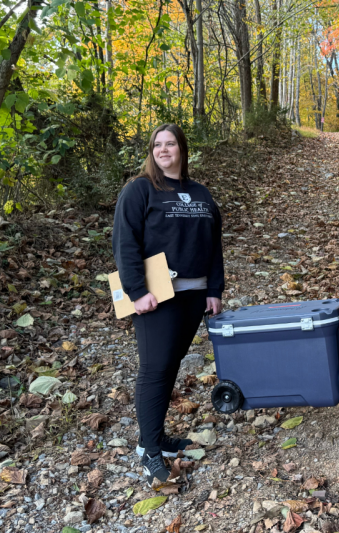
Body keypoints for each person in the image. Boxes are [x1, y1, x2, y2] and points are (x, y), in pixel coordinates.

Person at [112, 124, 224, 486]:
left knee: (170, 364)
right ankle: (148, 450)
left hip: (194, 295)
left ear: (182, 149)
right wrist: (135, 291)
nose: (163, 150)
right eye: (157, 145)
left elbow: (214, 246)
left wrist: (214, 289)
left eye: (170, 143)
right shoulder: (140, 190)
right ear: (151, 151)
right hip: (156, 295)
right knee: (154, 368)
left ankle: (157, 437)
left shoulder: (202, 194)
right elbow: (125, 243)